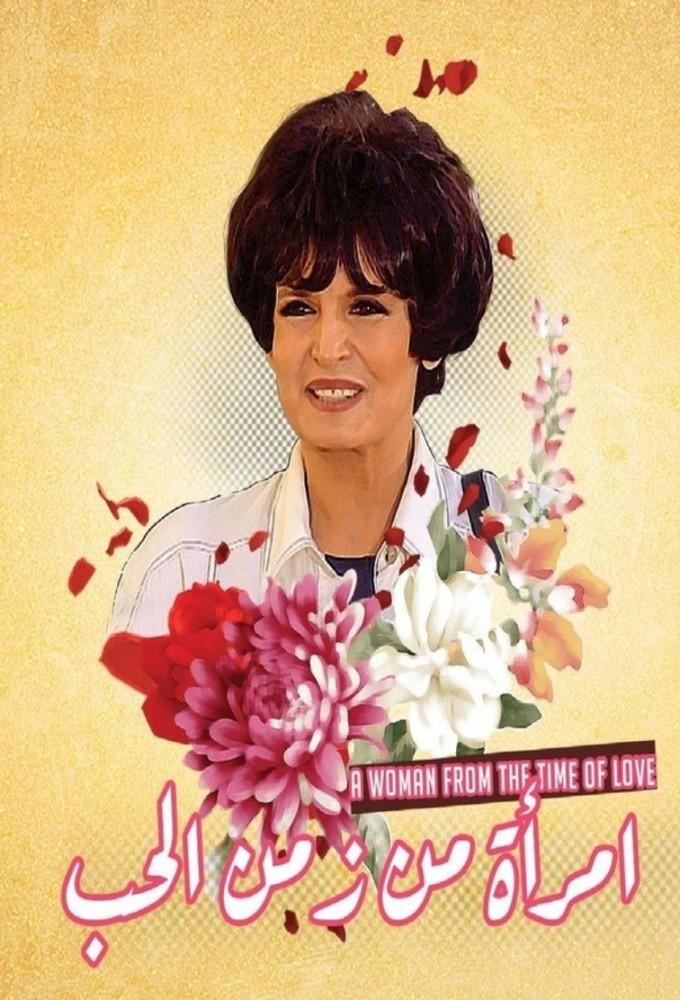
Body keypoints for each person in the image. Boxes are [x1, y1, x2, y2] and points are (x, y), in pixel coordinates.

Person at [107, 89, 505, 639]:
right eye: (299, 308)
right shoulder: (181, 572)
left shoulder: (515, 556)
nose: (327, 347)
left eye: (366, 307)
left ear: (431, 332)